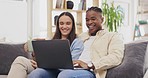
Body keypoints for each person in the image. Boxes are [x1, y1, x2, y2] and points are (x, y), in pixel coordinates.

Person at [28, 6, 125, 78]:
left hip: (90, 71)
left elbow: (116, 57)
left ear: (102, 19)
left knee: (64, 75)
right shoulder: (81, 36)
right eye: (87, 20)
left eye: (93, 19)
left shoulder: (112, 36)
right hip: (69, 69)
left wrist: (90, 65)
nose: (89, 23)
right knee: (36, 74)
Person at [7, 12, 84, 78]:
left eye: (68, 23)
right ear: (58, 25)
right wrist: (34, 53)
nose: (64, 26)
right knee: (20, 60)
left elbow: (70, 64)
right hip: (45, 68)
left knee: (37, 72)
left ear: (72, 25)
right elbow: (44, 59)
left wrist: (43, 66)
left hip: (59, 71)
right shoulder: (51, 40)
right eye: (61, 23)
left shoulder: (77, 42)